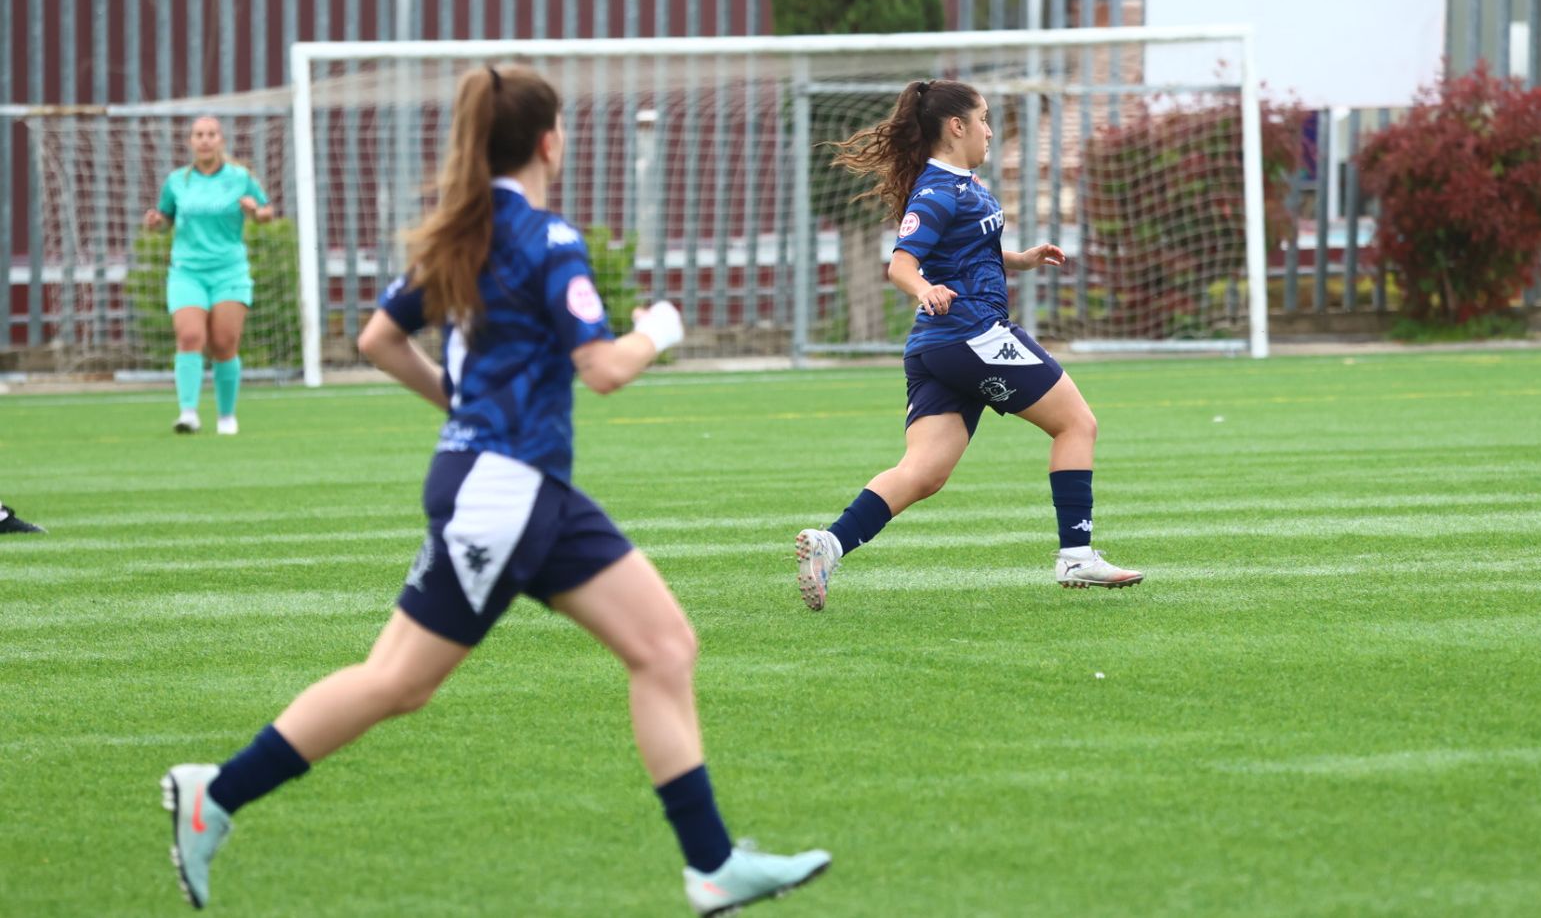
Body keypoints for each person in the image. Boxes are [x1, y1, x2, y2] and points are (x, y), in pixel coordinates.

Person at [161, 66, 829, 915]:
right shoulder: (547, 239)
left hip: (517, 487)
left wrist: (462, 406)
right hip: (505, 495)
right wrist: (659, 327)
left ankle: (711, 864)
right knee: (397, 681)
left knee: (663, 647)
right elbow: (604, 368)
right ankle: (214, 794)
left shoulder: (463, 233)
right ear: (550, 141)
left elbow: (377, 338)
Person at [794, 78, 1143, 611]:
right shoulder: (936, 191)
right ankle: (1077, 554)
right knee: (1077, 424)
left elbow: (970, 249)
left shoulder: (966, 184)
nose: (989, 130)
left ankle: (831, 543)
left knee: (925, 472)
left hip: (938, 349)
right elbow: (901, 264)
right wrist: (924, 287)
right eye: (982, 119)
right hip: (972, 333)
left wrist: (1019, 259)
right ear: (955, 127)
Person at [143, 116, 274, 435]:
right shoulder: (177, 181)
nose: (205, 140)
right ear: (190, 141)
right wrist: (156, 223)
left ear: (221, 141)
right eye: (199, 135)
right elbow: (165, 219)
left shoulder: (240, 178)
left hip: (229, 271)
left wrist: (255, 212)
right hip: (187, 272)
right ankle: (188, 413)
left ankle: (226, 417)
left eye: (211, 134)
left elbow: (267, 212)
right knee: (189, 336)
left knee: (224, 344)